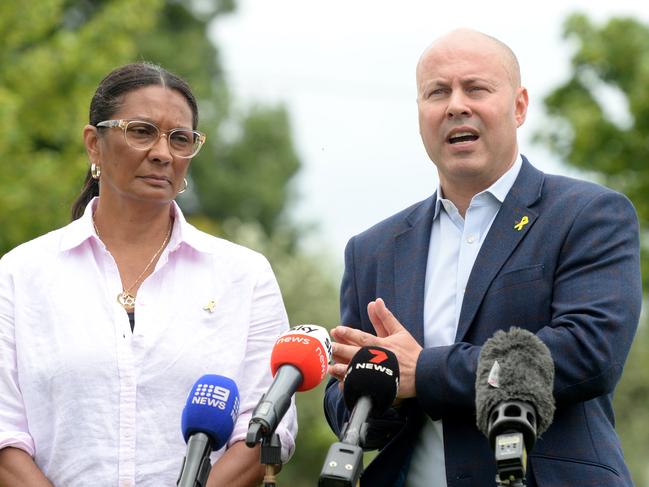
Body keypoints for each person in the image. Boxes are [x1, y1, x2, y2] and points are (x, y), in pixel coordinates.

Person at [323, 28, 641, 487]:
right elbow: (345, 402)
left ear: (519, 106)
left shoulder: (587, 215)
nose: (455, 105)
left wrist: (426, 372)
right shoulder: (372, 249)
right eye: (437, 92)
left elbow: (588, 352)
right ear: (420, 115)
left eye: (475, 88)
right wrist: (376, 388)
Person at [0, 62, 297, 486]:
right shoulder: (20, 275)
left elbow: (267, 428)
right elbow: (4, 436)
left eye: (180, 139)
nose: (162, 152)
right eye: (141, 131)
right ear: (93, 144)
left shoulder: (243, 277)